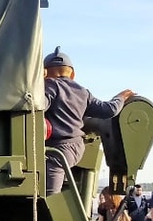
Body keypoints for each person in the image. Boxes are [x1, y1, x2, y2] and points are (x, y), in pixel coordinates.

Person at [42, 47, 134, 194]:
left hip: (58, 150)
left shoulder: (50, 85)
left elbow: (37, 105)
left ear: (45, 72)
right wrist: (121, 97)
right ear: (72, 74)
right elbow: (108, 110)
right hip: (76, 148)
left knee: (49, 198)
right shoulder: (82, 92)